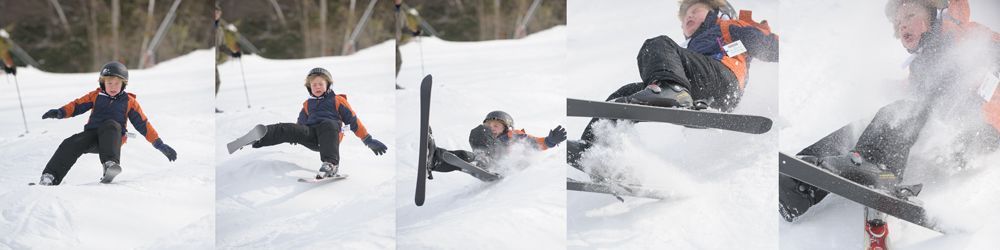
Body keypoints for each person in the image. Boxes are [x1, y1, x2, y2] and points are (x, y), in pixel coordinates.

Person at [779, 0, 999, 225]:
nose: (903, 25)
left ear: (933, 15)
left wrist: (984, 84)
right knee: (867, 124)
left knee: (901, 110)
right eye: (899, 22)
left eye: (911, 15)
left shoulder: (968, 36)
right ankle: (799, 181)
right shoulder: (921, 65)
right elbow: (916, 95)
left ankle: (878, 167)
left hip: (980, 130)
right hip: (943, 136)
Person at [579, 0, 779, 144]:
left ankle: (672, 90)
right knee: (625, 93)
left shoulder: (729, 26)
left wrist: (765, 39)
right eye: (684, 17)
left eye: (695, 10)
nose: (688, 16)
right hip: (702, 94)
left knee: (657, 44)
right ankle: (594, 146)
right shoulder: (689, 47)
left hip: (724, 78)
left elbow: (770, 48)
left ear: (716, 10)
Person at [37, 62, 177, 185]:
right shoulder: (95, 96)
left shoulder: (129, 102)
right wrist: (60, 112)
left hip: (113, 138)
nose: (113, 86)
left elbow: (143, 125)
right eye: (109, 83)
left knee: (111, 124)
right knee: (70, 142)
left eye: (117, 83)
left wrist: (159, 144)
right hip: (92, 136)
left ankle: (110, 165)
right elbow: (76, 106)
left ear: (123, 84)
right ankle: (50, 177)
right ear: (103, 83)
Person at [236, 67, 388, 178]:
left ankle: (331, 165)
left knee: (328, 123)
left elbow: (353, 121)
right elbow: (300, 125)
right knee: (288, 128)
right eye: (314, 84)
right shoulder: (307, 105)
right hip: (313, 137)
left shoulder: (337, 100)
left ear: (328, 85)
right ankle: (257, 137)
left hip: (330, 136)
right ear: (309, 87)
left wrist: (368, 139)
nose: (317, 87)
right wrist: (294, 133)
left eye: (320, 84)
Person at [425, 111, 567, 180]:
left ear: (507, 127)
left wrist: (550, 141)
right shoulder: (485, 137)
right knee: (462, 156)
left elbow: (535, 144)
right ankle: (435, 159)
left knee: (477, 145)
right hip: (483, 163)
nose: (491, 128)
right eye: (489, 125)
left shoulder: (515, 136)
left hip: (503, 167)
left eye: (496, 125)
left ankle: (483, 162)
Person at [215, 2, 241, 113]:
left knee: (217, 82)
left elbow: (222, 46)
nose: (216, 15)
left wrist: (233, 53)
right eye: (214, 12)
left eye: (218, 13)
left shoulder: (219, 29)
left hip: (214, 61)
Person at [395, 0, 423, 90]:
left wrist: (414, 33)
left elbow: (405, 28)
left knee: (398, 62)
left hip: (396, 43)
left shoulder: (401, 13)